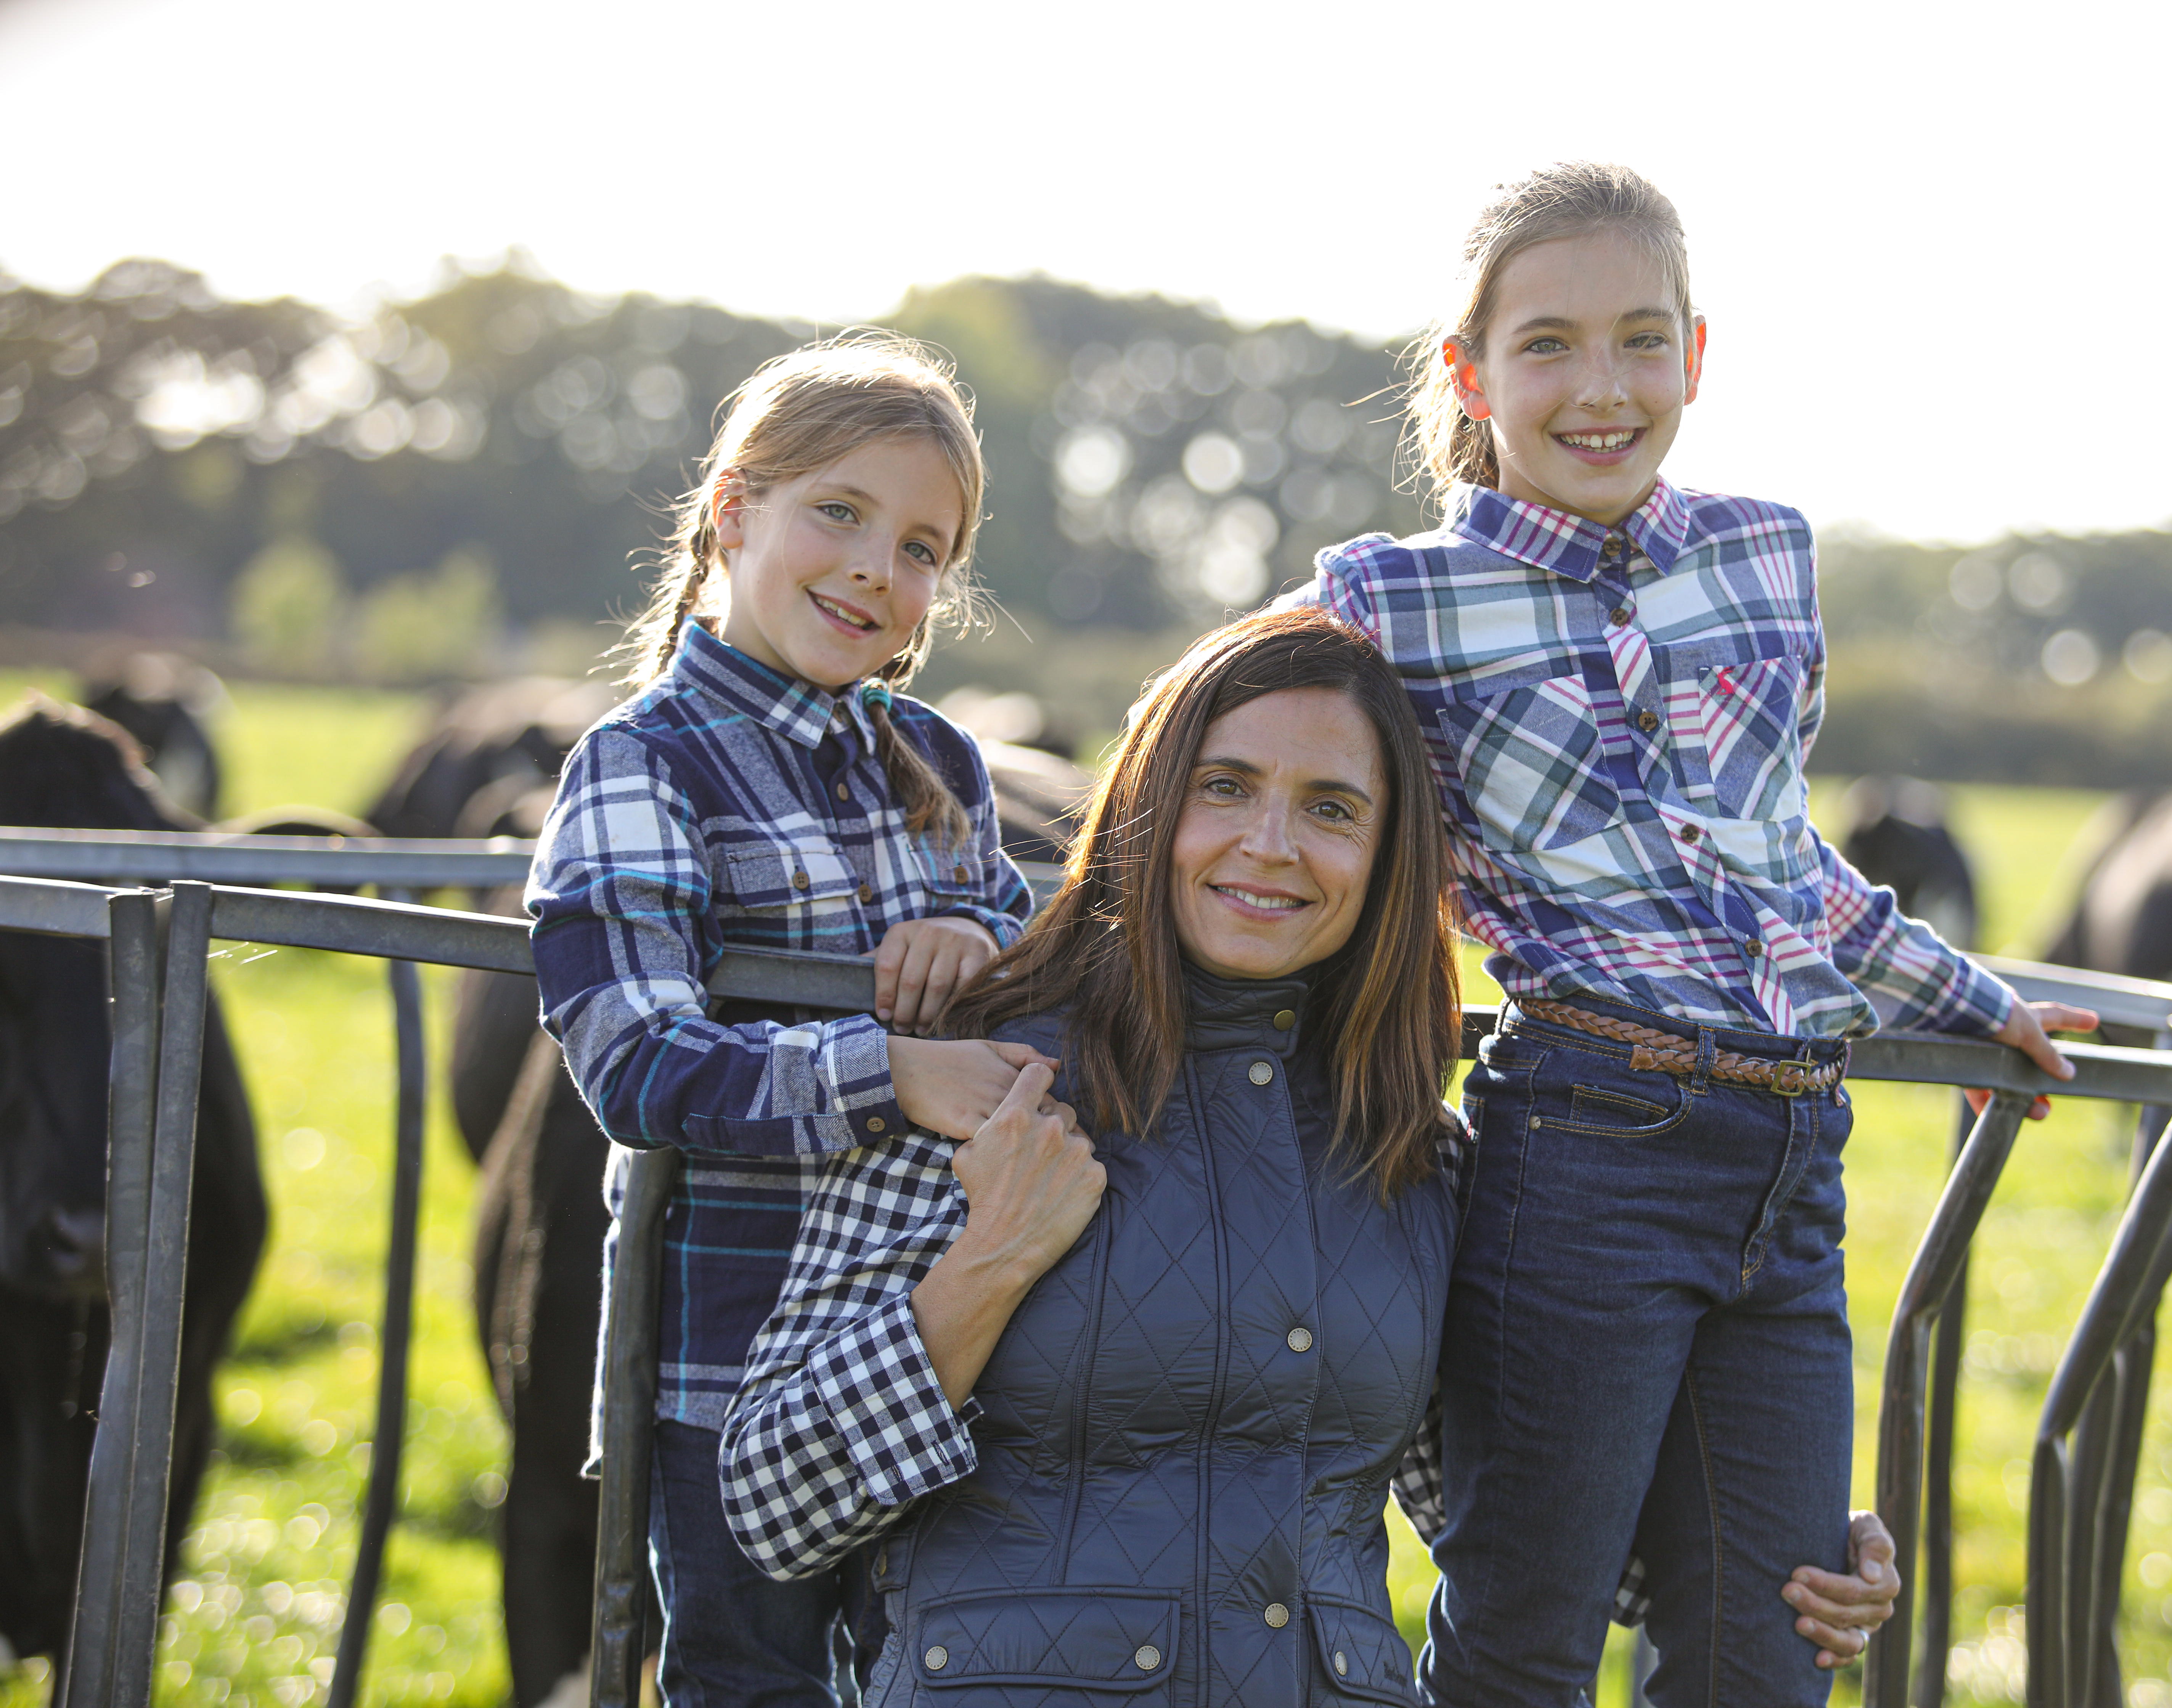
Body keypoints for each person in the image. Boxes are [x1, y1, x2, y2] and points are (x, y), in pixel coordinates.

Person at [717, 610, 1905, 1708]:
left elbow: (1520, 1516)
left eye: (1333, 809)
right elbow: (772, 1506)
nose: (1271, 845)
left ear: (1392, 862)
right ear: (1149, 805)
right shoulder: (981, 1084)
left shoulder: (1414, 1155)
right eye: (1224, 789)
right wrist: (984, 1268)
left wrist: (1780, 1543)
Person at [1280, 163, 2096, 1706]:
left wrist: (1969, 993)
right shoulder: (1388, 598)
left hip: (1797, 1153)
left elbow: (1784, 858)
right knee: (1526, 1635)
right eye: (1549, 345)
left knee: (1766, 1650)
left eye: (1642, 341)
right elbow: (1206, 762)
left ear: (1697, 357)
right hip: (1590, 1137)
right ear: (1470, 373)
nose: (1603, 387)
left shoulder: (1766, 552)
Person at [527, 334, 1047, 1707]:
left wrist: (981, 943)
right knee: (753, 1681)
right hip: (736, 1359)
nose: (881, 567)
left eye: (925, 546)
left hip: (948, 1336)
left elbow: (1041, 980)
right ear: (733, 509)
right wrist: (893, 1072)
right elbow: (635, 1058)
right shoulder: (642, 763)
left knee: (942, 1670)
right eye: (842, 514)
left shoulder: (937, 760)